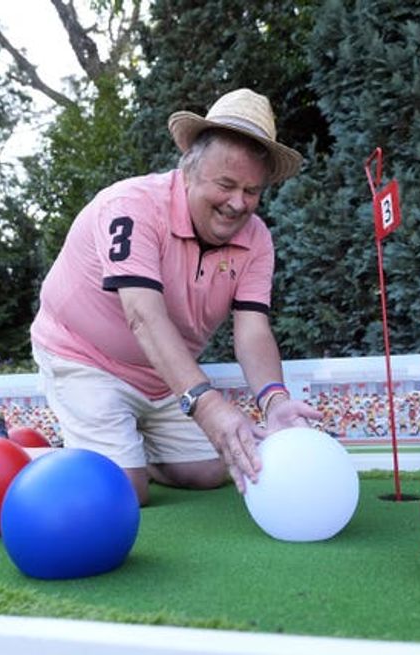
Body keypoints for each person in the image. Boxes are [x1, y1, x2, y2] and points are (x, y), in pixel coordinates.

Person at [30, 88, 321, 505]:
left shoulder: (257, 239)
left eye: (252, 191)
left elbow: (253, 330)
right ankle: (5, 450)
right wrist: (206, 404)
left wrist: (276, 401)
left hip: (161, 375)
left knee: (213, 468)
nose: (238, 203)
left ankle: (115, 447)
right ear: (188, 172)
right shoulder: (131, 206)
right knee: (123, 491)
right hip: (83, 357)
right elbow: (143, 317)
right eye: (226, 184)